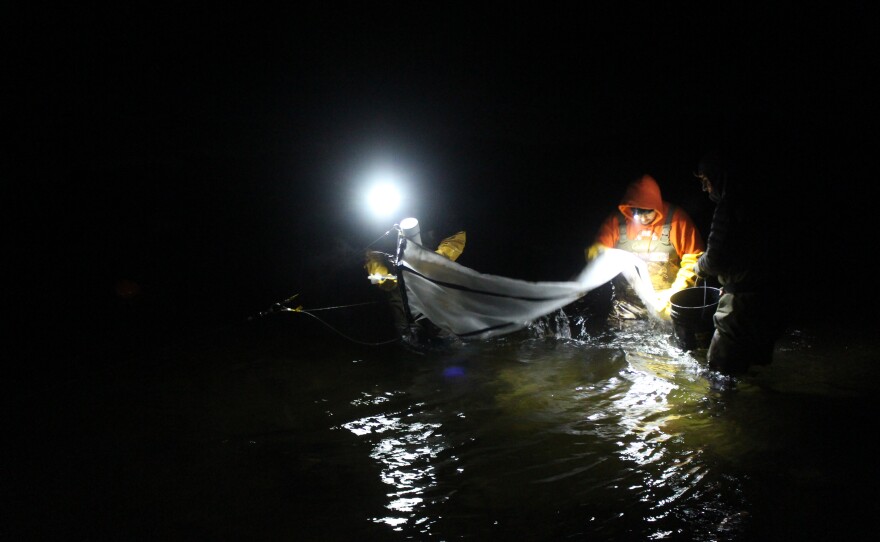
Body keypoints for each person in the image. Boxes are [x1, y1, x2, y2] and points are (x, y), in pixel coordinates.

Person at [692, 150, 787, 375]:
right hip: (770, 297)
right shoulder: (763, 202)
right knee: (748, 365)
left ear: (720, 178)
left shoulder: (729, 207)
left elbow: (715, 259)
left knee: (719, 371)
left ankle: (721, 410)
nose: (705, 189)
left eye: (706, 181)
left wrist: (699, 267)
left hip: (742, 303)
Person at [586, 173, 705, 322]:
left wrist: (674, 295)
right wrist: (596, 255)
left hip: (665, 304)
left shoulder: (677, 220)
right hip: (625, 308)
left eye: (647, 211)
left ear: (656, 206)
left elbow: (695, 261)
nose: (642, 218)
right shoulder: (616, 221)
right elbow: (598, 251)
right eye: (636, 212)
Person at [365, 220, 466, 347]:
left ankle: (455, 352)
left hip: (431, 283)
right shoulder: (379, 226)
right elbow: (372, 253)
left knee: (443, 329)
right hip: (399, 290)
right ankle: (415, 356)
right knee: (409, 337)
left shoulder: (435, 215)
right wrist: (382, 275)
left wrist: (436, 259)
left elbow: (456, 236)